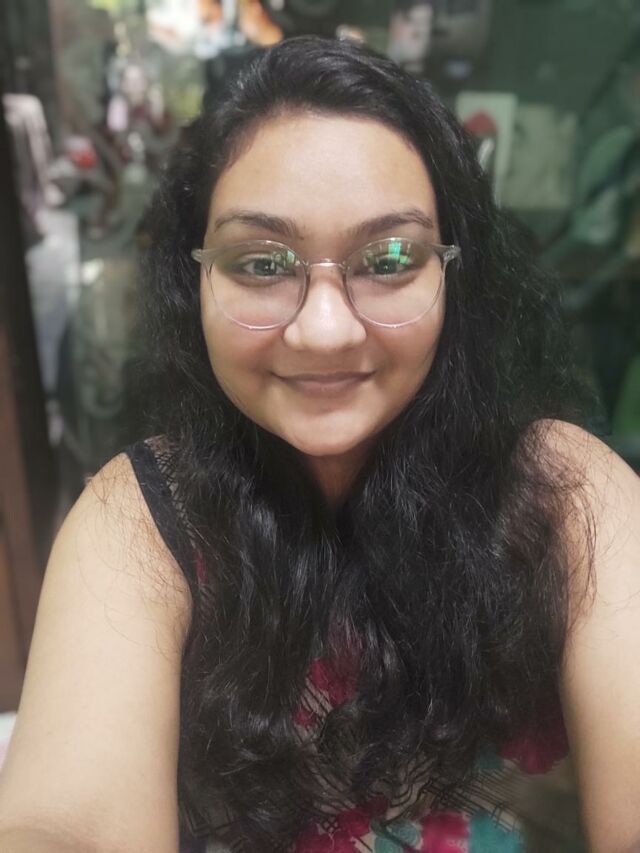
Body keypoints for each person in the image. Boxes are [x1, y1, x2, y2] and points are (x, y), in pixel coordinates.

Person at [0, 35, 639, 853]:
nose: (325, 330)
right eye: (262, 264)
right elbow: (67, 825)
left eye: (391, 257)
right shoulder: (144, 520)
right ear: (196, 281)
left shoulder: (562, 494)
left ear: (454, 276)